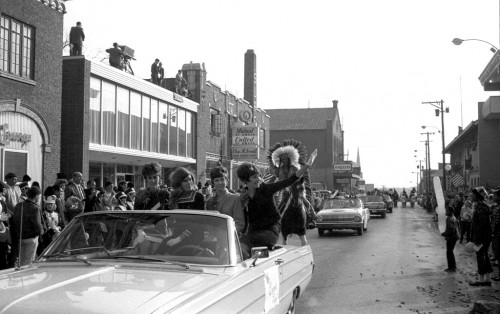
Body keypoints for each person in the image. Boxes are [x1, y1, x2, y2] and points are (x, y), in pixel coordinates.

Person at [237, 149, 317, 257]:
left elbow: (289, 180)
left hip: (270, 231)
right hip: (252, 232)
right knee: (236, 246)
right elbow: (243, 220)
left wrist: (307, 165)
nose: (259, 179)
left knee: (244, 246)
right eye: (254, 177)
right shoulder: (243, 197)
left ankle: (312, 215)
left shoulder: (267, 189)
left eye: (259, 176)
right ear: (246, 181)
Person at [205, 166, 245, 235]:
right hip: (212, 239)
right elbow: (207, 223)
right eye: (217, 180)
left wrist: (225, 234)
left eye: (222, 179)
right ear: (213, 183)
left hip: (228, 238)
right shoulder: (209, 201)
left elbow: (239, 224)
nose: (220, 182)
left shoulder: (235, 198)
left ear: (227, 181)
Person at [11, 186, 44, 266]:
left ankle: (20, 277)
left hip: (19, 238)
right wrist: (42, 232)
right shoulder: (35, 208)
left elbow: (13, 221)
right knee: (28, 262)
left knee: (20, 262)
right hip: (31, 239)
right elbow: (37, 225)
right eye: (39, 197)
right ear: (36, 196)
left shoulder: (18, 206)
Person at [469, 187, 493, 286]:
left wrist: (476, 239)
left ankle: (481, 280)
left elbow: (481, 226)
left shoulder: (481, 208)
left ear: (477, 196)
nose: (470, 195)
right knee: (485, 256)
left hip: (481, 237)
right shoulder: (481, 206)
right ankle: (487, 279)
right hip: (483, 237)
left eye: (472, 194)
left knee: (480, 256)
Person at [441, 206, 459, 272]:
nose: (445, 212)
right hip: (454, 237)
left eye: (447, 211)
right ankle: (453, 267)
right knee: (450, 251)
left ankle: (451, 267)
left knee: (449, 252)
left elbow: (451, 229)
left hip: (451, 237)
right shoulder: (454, 217)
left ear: (451, 212)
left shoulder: (449, 219)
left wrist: (445, 234)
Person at [491, 190, 500, 281]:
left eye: (495, 196)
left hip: (498, 234)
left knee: (499, 254)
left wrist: (494, 232)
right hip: (495, 234)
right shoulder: (495, 207)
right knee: (497, 254)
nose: (493, 197)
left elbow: (497, 222)